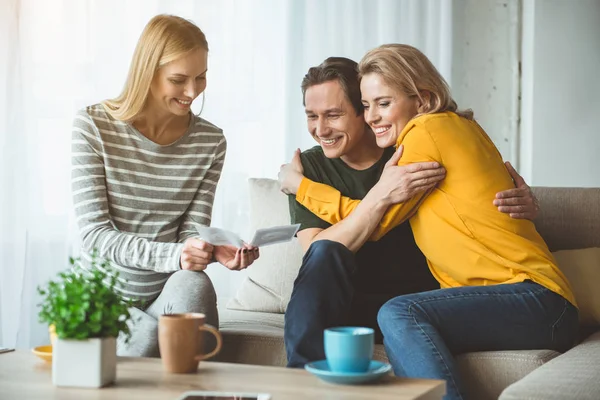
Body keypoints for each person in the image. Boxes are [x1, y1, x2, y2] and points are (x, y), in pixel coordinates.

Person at [279, 56, 541, 370]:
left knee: (399, 309)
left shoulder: (409, 143)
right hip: (350, 304)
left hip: (420, 299)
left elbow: (475, 189)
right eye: (311, 116)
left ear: (363, 113)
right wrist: (308, 185)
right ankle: (300, 384)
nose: (320, 129)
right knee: (324, 252)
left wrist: (527, 201)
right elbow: (317, 251)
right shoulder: (309, 167)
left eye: (333, 115)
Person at [70, 14, 259, 357]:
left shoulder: (210, 141)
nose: (192, 91)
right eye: (178, 79)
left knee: (194, 284)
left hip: (165, 298)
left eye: (200, 77)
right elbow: (94, 235)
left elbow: (189, 231)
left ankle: (191, 384)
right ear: (148, 71)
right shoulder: (93, 127)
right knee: (147, 340)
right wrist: (176, 254)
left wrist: (208, 249)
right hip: (104, 301)